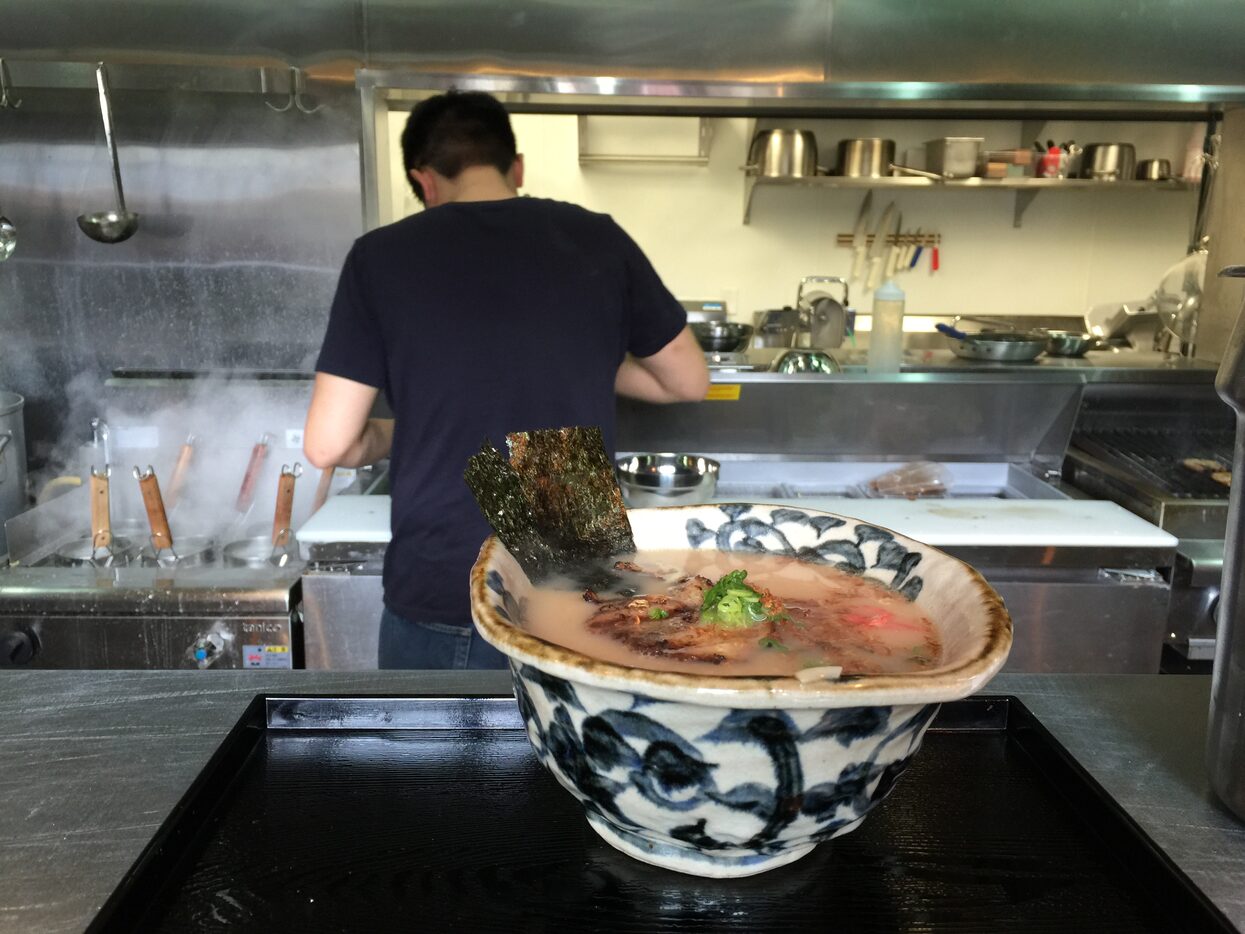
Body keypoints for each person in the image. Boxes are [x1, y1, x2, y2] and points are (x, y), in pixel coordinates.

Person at [304, 90, 709, 670]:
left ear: (425, 181)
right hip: (573, 560)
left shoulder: (382, 257)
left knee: (438, 760)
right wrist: (580, 354)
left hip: (445, 569)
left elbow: (329, 443)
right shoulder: (596, 237)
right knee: (560, 761)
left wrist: (394, 434)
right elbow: (687, 382)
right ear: (515, 167)